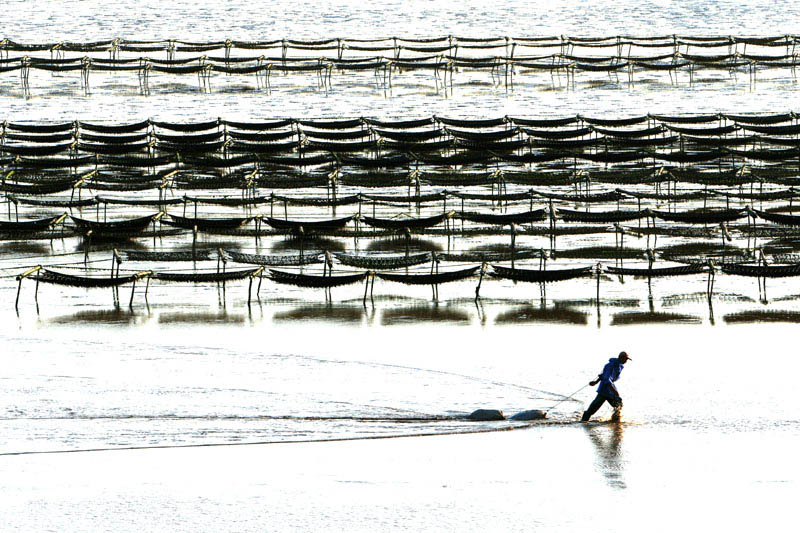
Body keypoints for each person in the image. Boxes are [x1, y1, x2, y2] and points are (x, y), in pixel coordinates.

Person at [581, 351, 631, 422]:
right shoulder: (610, 365)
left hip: (610, 390)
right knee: (593, 409)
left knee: (619, 405)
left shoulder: (619, 365)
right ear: (621, 358)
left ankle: (615, 422)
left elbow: (604, 376)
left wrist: (596, 382)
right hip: (604, 390)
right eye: (626, 359)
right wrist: (615, 392)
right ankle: (583, 422)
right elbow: (606, 379)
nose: (626, 361)